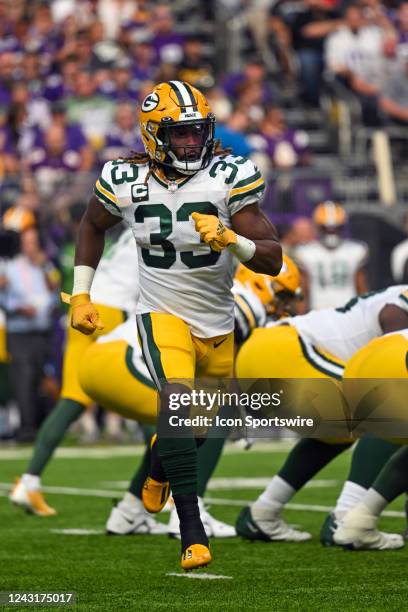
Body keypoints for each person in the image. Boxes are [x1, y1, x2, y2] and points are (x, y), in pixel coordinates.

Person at [67, 80, 282, 570]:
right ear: (153, 134)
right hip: (160, 312)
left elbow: (272, 259)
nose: (190, 143)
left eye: (196, 132)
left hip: (217, 321)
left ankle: (160, 465)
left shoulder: (229, 175)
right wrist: (81, 293)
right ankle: (191, 532)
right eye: (179, 134)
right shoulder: (124, 178)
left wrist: (233, 239)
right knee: (180, 406)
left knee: (196, 427)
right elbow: (90, 225)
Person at [235, 285, 408, 542]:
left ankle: (264, 512)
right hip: (284, 349)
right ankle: (346, 519)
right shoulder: (400, 302)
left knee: (339, 432)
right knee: (389, 409)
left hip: (269, 351)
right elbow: (393, 330)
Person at [9, 229, 139, 515]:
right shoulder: (167, 219)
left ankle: (29, 481)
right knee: (153, 397)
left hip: (84, 306)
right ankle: (157, 490)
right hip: (115, 311)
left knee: (73, 397)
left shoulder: (133, 229)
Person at [1, 227, 60, 441]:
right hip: (19, 330)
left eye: (34, 242)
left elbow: (54, 288)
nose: (31, 246)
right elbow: (3, 295)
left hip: (43, 328)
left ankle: (44, 426)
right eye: (27, 242)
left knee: (42, 378)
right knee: (23, 378)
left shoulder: (43, 265)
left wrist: (44, 267)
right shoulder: (8, 265)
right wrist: (17, 308)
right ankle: (27, 428)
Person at [295, 201, 369, 310]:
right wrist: (300, 319)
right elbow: (304, 290)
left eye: (335, 228)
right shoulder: (306, 253)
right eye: (326, 228)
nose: (331, 233)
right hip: (319, 313)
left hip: (350, 312)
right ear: (318, 227)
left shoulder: (355, 251)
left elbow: (361, 287)